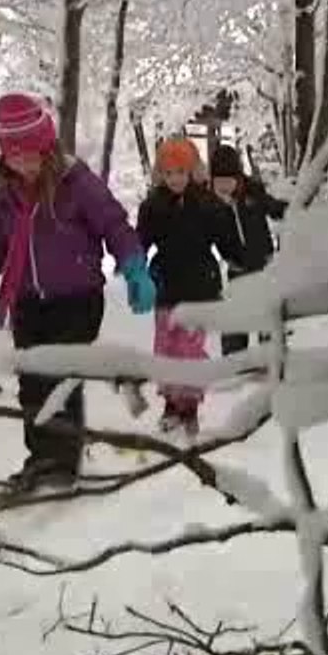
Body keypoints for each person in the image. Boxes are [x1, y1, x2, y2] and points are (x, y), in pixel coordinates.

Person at [0, 92, 156, 491]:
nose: (23, 163)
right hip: (29, 302)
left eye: (30, 154)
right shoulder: (5, 198)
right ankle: (41, 457)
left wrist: (134, 268)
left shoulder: (77, 184)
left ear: (47, 147)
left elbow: (114, 225)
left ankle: (62, 462)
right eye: (14, 156)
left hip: (77, 299)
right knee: (32, 381)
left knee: (61, 378)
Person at [136, 138, 243, 435]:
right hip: (166, 286)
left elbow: (227, 241)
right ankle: (171, 405)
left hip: (200, 287)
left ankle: (190, 407)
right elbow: (139, 242)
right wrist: (134, 266)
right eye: (169, 173)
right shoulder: (152, 205)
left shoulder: (207, 204)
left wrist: (239, 258)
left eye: (181, 172)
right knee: (166, 349)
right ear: (161, 174)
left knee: (189, 350)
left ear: (193, 171)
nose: (175, 179)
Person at [209, 144, 288, 355]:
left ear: (239, 178)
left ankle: (271, 358)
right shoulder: (211, 205)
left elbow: (273, 207)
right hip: (237, 271)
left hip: (264, 267)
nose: (224, 187)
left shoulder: (253, 191)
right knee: (235, 322)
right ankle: (235, 364)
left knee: (268, 319)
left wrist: (288, 209)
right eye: (219, 182)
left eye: (229, 181)